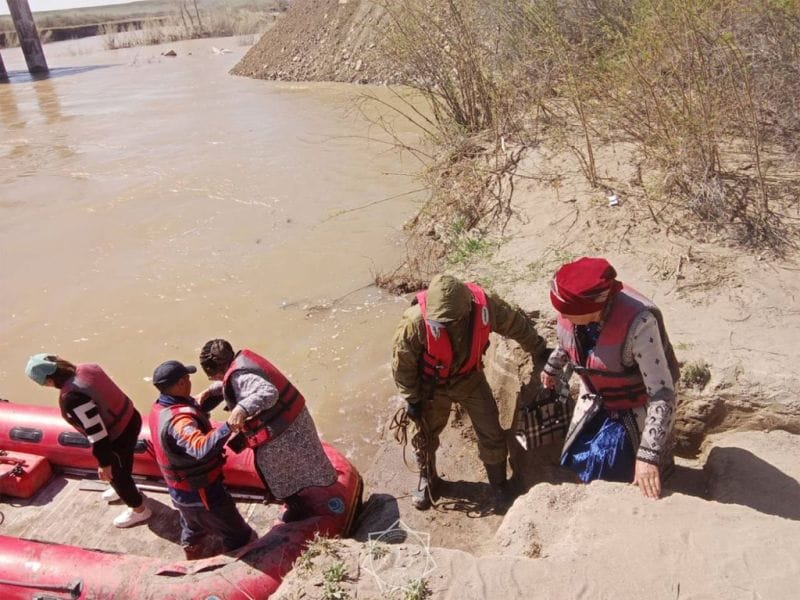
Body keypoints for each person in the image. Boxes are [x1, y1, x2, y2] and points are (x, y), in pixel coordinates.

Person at [391, 274, 548, 511]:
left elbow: (514, 323)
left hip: (469, 378)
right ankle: (428, 478)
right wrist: (412, 399)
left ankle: (498, 484)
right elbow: (402, 363)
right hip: (431, 386)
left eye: (453, 319)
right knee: (423, 435)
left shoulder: (486, 307)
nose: (448, 324)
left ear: (467, 307)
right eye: (442, 321)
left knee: (491, 432)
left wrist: (538, 349)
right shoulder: (414, 323)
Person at [540, 257, 680, 499]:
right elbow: (567, 343)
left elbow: (662, 393)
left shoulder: (639, 324)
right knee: (578, 455)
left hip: (635, 404)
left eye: (568, 312)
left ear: (593, 309)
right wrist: (552, 367)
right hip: (596, 398)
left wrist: (648, 455)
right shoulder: (572, 314)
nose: (562, 316)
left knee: (607, 465)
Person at [198, 339, 337, 522]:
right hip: (292, 420)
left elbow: (268, 391)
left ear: (217, 369)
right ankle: (303, 490)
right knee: (301, 463)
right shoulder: (240, 364)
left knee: (271, 472)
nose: (213, 379)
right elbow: (234, 382)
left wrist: (242, 409)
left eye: (213, 376)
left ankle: (296, 506)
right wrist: (209, 392)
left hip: (285, 432)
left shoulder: (241, 376)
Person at [25, 354, 152, 527]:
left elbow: (97, 432)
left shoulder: (73, 398)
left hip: (116, 436)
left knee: (115, 474)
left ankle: (139, 510)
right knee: (124, 462)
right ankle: (125, 489)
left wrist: (104, 462)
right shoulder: (88, 367)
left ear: (48, 380)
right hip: (131, 418)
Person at [149, 360, 256, 560]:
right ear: (180, 383)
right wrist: (229, 426)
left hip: (179, 492)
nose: (190, 382)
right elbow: (201, 449)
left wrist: (209, 395)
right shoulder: (179, 421)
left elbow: (189, 414)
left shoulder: (160, 407)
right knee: (239, 534)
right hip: (203, 493)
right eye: (187, 379)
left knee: (191, 525)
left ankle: (191, 549)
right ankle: (235, 561)